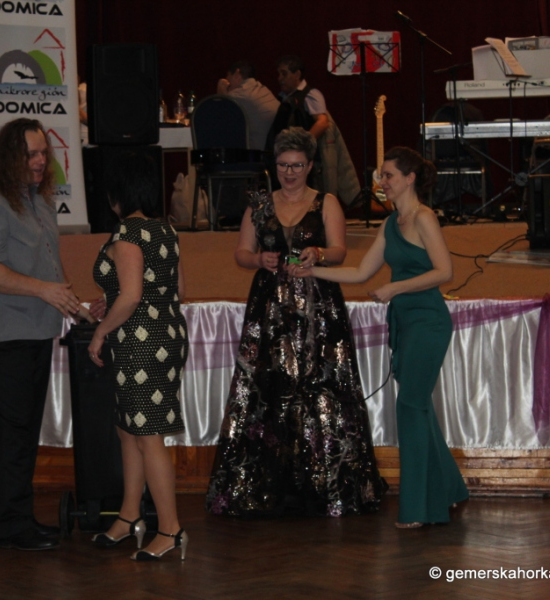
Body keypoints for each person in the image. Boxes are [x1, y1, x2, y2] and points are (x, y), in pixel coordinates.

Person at [206, 128, 387, 518]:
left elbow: (339, 252)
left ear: (310, 166)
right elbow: (241, 253)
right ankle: (270, 485)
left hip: (318, 305)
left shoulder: (326, 202)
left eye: (297, 166)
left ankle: (327, 483)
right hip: (269, 308)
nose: (290, 173)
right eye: (283, 165)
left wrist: (318, 252)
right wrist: (259, 260)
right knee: (269, 386)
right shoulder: (259, 204)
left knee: (321, 387)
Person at [290, 146, 469, 527]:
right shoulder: (391, 224)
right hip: (405, 321)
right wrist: (313, 271)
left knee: (410, 406)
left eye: (388, 176)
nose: (382, 182)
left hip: (429, 322)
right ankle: (451, 489)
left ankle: (420, 509)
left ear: (410, 179)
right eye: (381, 176)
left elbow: (445, 272)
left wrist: (394, 288)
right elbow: (359, 273)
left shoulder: (424, 218)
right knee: (418, 406)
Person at [0, 118, 85, 551]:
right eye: (31, 154)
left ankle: (19, 517)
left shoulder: (36, 201)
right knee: (11, 434)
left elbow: (47, 267)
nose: (40, 160)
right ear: (9, 157)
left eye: (44, 152)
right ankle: (12, 525)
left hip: (34, 331)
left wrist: (77, 306)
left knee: (24, 432)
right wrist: (45, 291)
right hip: (2, 336)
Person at [88, 151, 189, 561]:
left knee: (147, 436)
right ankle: (130, 516)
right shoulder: (166, 229)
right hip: (165, 335)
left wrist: (101, 330)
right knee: (128, 430)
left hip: (139, 343)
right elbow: (176, 289)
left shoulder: (127, 233)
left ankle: (170, 529)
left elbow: (131, 297)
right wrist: (112, 300)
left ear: (118, 193)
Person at [266, 55, 360, 205]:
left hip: (308, 161)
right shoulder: (283, 98)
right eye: (279, 74)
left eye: (284, 74)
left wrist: (303, 144)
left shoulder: (310, 94)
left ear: (297, 74)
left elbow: (322, 122)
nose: (280, 78)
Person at [216, 61, 280, 151]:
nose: (227, 80)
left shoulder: (239, 95)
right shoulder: (263, 89)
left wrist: (220, 95)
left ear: (237, 74)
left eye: (228, 76)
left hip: (256, 153)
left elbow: (217, 120)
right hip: (274, 148)